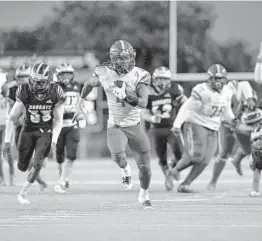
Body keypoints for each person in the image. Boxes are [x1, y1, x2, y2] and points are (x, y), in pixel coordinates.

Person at [74, 40, 153, 210]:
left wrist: (126, 96)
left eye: (126, 58)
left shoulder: (141, 75)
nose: (123, 62)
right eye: (119, 59)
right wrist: (80, 101)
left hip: (135, 125)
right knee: (117, 154)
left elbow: (143, 103)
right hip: (116, 125)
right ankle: (125, 169)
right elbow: (89, 84)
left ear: (132, 58)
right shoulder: (104, 72)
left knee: (145, 168)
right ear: (113, 59)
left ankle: (144, 195)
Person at [167, 64, 240, 193]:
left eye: (219, 78)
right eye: (213, 78)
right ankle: (174, 170)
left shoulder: (227, 92)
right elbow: (187, 107)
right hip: (196, 122)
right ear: (209, 79)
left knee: (206, 160)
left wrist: (233, 120)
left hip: (213, 126)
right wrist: (177, 124)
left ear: (224, 79)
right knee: (197, 156)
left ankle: (185, 184)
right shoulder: (202, 90)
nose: (216, 81)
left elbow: (226, 111)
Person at [3, 63, 64, 204]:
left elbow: (59, 120)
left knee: (37, 164)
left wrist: (54, 140)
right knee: (22, 166)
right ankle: (30, 163)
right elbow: (12, 118)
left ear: (48, 81)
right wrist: (7, 141)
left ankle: (23, 193)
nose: (36, 84)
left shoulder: (55, 91)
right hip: (28, 130)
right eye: (34, 80)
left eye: (40, 81)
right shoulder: (24, 90)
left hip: (45, 131)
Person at [142, 66, 186, 191]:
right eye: (159, 79)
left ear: (169, 80)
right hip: (156, 129)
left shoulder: (175, 89)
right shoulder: (148, 92)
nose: (162, 82)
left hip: (172, 127)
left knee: (180, 154)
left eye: (165, 79)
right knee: (162, 158)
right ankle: (168, 175)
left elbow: (186, 104)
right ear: (155, 80)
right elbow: (144, 113)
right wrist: (151, 118)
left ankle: (172, 170)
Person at [206, 79, 255, 190]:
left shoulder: (244, 89)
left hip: (241, 122)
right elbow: (228, 118)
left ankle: (237, 158)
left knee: (250, 149)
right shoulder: (223, 98)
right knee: (224, 152)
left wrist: (249, 99)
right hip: (227, 123)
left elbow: (247, 90)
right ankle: (213, 181)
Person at [6, 64, 48, 190]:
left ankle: (40, 178)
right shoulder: (12, 90)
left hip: (38, 125)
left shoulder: (39, 88)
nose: (22, 79)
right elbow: (12, 114)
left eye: (25, 76)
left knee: (38, 155)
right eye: (20, 77)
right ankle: (40, 180)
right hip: (21, 126)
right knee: (24, 158)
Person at [53, 63, 86, 193]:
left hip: (72, 125)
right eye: (63, 74)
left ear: (72, 75)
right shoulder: (54, 88)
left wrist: (81, 114)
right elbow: (52, 107)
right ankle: (62, 177)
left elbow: (80, 104)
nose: (66, 76)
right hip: (58, 126)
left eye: (68, 74)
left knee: (72, 155)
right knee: (59, 157)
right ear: (59, 75)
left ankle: (61, 182)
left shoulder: (77, 86)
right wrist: (66, 108)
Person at [0, 72, 10, 186]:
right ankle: (3, 177)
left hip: (5, 124)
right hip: (3, 123)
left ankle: (8, 177)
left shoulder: (7, 91)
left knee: (5, 152)